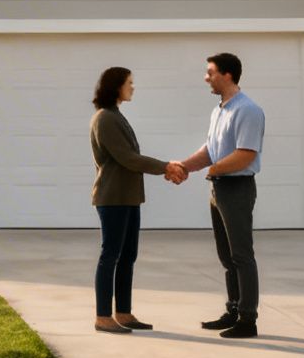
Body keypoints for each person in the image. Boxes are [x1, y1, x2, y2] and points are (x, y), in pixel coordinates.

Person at [168, 52, 266, 339]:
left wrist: (212, 168)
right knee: (226, 256)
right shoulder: (219, 110)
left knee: (241, 255)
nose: (206, 77)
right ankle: (233, 309)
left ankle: (248, 319)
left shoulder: (247, 110)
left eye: (210, 72)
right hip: (219, 187)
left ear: (227, 74)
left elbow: (246, 155)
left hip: (237, 187)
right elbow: (211, 150)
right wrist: (183, 166)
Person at [88, 66, 174, 334]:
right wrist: (166, 167)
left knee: (128, 256)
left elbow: (130, 158)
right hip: (112, 197)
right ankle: (103, 316)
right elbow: (127, 158)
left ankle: (123, 313)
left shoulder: (116, 115)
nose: (133, 87)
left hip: (128, 197)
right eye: (129, 83)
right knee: (110, 255)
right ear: (116, 86)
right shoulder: (105, 119)